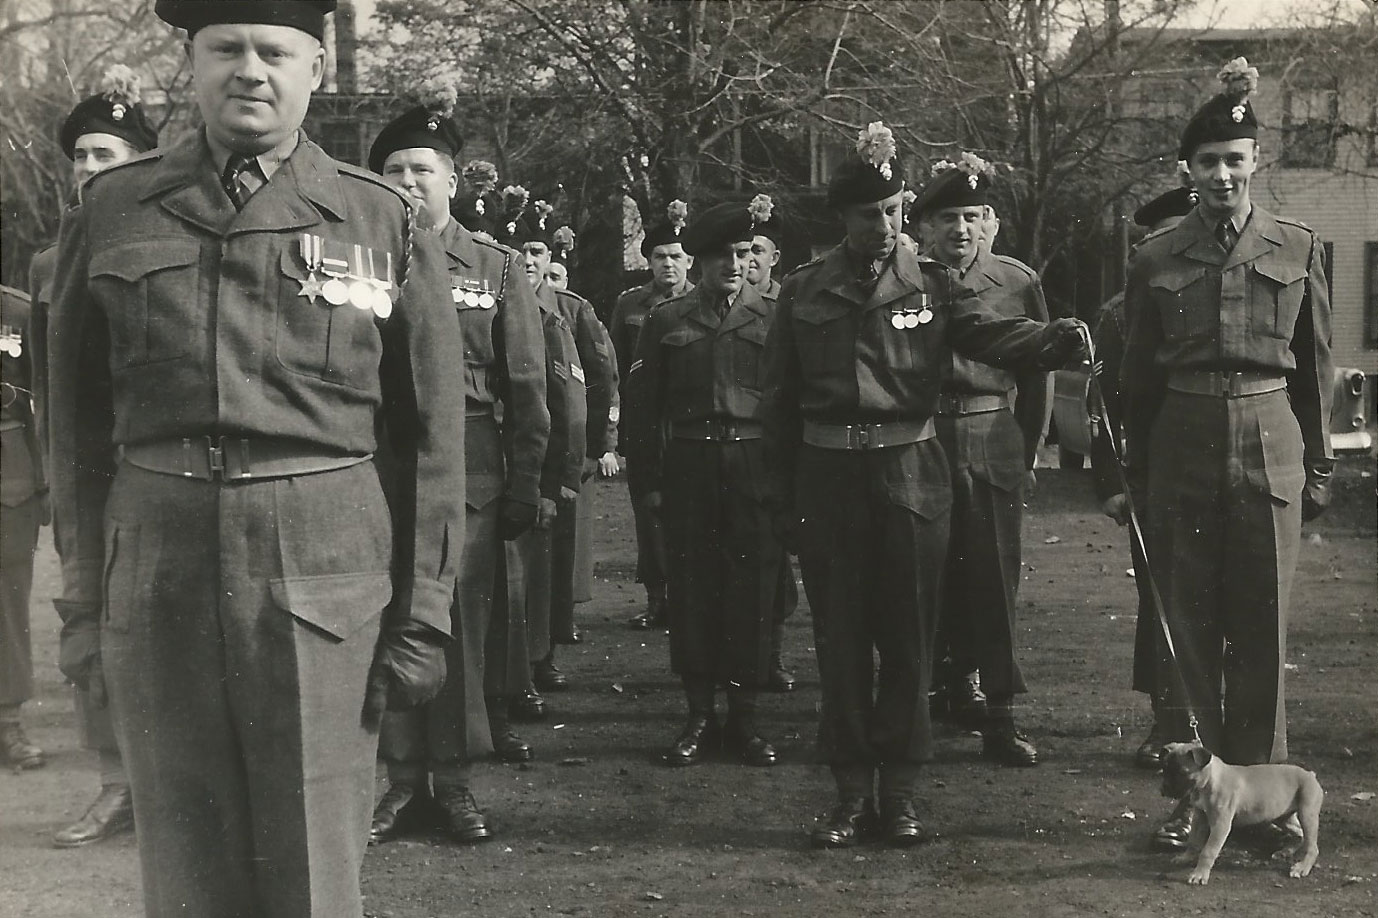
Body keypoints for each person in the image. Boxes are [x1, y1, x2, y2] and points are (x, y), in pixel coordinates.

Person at [47, 3, 468, 916]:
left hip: (323, 567)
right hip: (159, 566)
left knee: (313, 854)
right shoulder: (114, 209)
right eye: (224, 50)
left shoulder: (379, 217)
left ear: (315, 67)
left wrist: (424, 615)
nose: (249, 71)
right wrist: (82, 600)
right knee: (185, 859)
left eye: (274, 52)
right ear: (189, 65)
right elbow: (75, 435)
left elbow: (433, 442)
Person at [759, 122, 1087, 848]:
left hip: (912, 479)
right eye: (868, 213)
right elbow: (776, 404)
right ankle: (849, 793)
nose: (884, 225)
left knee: (910, 642)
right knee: (841, 644)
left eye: (894, 211)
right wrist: (783, 502)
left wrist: (1050, 341)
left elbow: (990, 334)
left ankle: (900, 793)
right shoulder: (801, 292)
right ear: (842, 218)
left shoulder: (932, 286)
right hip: (830, 481)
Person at [1120, 57, 1333, 850]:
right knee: (1190, 626)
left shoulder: (1296, 244)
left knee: (1262, 625)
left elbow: (1315, 368)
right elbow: (1138, 378)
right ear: (1188, 169)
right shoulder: (1156, 256)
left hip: (1270, 434)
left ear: (1256, 164)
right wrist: (1130, 478)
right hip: (1181, 437)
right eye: (1206, 162)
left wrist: (1318, 465)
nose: (1220, 174)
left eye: (1234, 160)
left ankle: (1266, 801)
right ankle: (1192, 798)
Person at [366, 88, 549, 847]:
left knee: (456, 629)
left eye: (423, 170)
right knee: (385, 618)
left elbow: (529, 385)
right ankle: (399, 781)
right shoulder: (362, 261)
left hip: (469, 469)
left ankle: (457, 781)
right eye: (395, 171)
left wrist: (528, 482)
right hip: (377, 465)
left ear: (450, 179)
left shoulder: (495, 268)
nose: (409, 183)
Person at [25, 63, 160, 845]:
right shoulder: (49, 264)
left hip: (157, 462)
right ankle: (116, 783)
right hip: (88, 473)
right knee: (91, 622)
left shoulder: (171, 239)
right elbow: (51, 383)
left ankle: (175, 784)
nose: (88, 169)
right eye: (80, 155)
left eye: (106, 155)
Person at [624, 200, 786, 769]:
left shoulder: (774, 316)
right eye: (723, 257)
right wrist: (647, 486)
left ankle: (745, 720)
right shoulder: (668, 320)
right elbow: (643, 412)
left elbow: (790, 405)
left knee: (751, 593)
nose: (736, 266)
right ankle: (697, 716)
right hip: (690, 467)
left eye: (744, 255)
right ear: (701, 261)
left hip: (754, 469)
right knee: (693, 592)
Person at [916, 156, 1050, 767]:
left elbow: (1037, 369)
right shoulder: (907, 281)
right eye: (948, 218)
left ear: (990, 220)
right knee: (923, 574)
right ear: (925, 227)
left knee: (994, 578)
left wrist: (1026, 449)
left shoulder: (1015, 282)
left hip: (993, 434)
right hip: (922, 439)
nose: (961, 230)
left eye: (972, 216)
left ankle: (1000, 713)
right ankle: (926, 698)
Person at [1089, 185, 1197, 771]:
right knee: (1161, 601)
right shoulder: (1119, 312)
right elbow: (1101, 403)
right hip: (1152, 476)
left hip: (1218, 468)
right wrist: (1110, 481)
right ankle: (1167, 718)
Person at [512, 228, 618, 719]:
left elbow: (593, 384)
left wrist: (596, 449)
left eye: (536, 251)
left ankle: (544, 652)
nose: (527, 259)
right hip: (518, 454)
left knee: (552, 561)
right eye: (520, 250)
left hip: (560, 453)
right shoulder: (498, 298)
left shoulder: (569, 311)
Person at [609, 201, 693, 630]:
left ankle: (689, 598)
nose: (668, 264)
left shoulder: (701, 300)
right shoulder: (630, 305)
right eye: (660, 256)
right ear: (648, 260)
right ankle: (656, 597)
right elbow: (615, 368)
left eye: (676, 256)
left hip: (688, 421)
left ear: (689, 261)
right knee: (648, 511)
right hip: (645, 421)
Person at [744, 193, 798, 694]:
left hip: (773, 445)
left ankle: (773, 653)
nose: (750, 260)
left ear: (774, 257)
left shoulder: (791, 306)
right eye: (744, 251)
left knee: (774, 562)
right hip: (728, 444)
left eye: (759, 250)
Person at [0, 285, 46, 774]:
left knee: (7, 601)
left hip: (7, 471)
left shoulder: (15, 311)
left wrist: (45, 478)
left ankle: (7, 721)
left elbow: (47, 401)